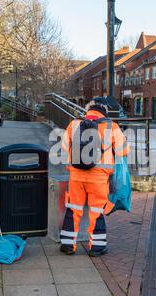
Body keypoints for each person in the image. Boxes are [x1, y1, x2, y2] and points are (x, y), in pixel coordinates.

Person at [59, 99, 129, 257]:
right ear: (104, 112)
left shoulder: (74, 124)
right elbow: (123, 151)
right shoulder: (111, 126)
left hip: (76, 175)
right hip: (99, 178)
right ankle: (96, 248)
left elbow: (63, 147)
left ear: (88, 111)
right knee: (96, 211)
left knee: (74, 209)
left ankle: (68, 245)